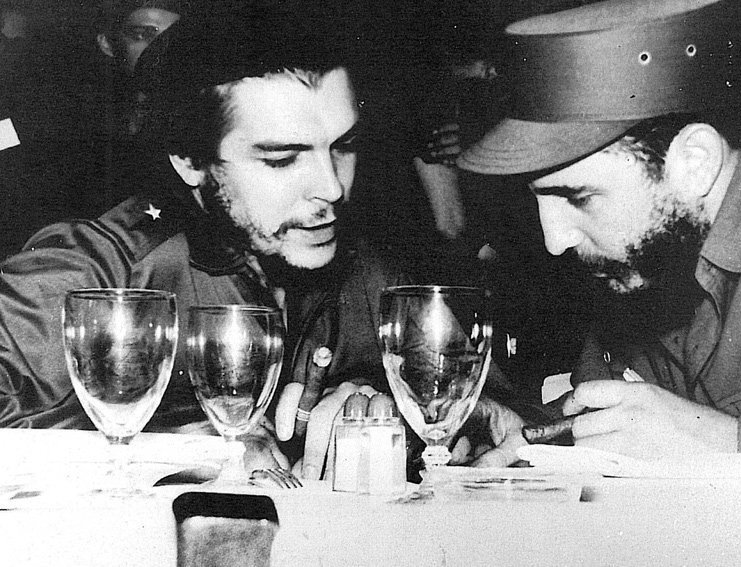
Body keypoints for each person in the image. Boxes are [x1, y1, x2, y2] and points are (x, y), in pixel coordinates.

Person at [0, 6, 524, 478]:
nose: (332, 188)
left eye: (343, 146)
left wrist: (413, 415)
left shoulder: (372, 272)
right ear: (189, 161)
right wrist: (192, 448)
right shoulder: (97, 269)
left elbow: (505, 412)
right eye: (282, 159)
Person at [459, 0, 741, 472]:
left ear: (695, 162)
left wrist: (726, 441)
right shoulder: (656, 258)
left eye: (579, 197)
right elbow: (619, 416)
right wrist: (526, 431)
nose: (555, 240)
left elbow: (686, 433)